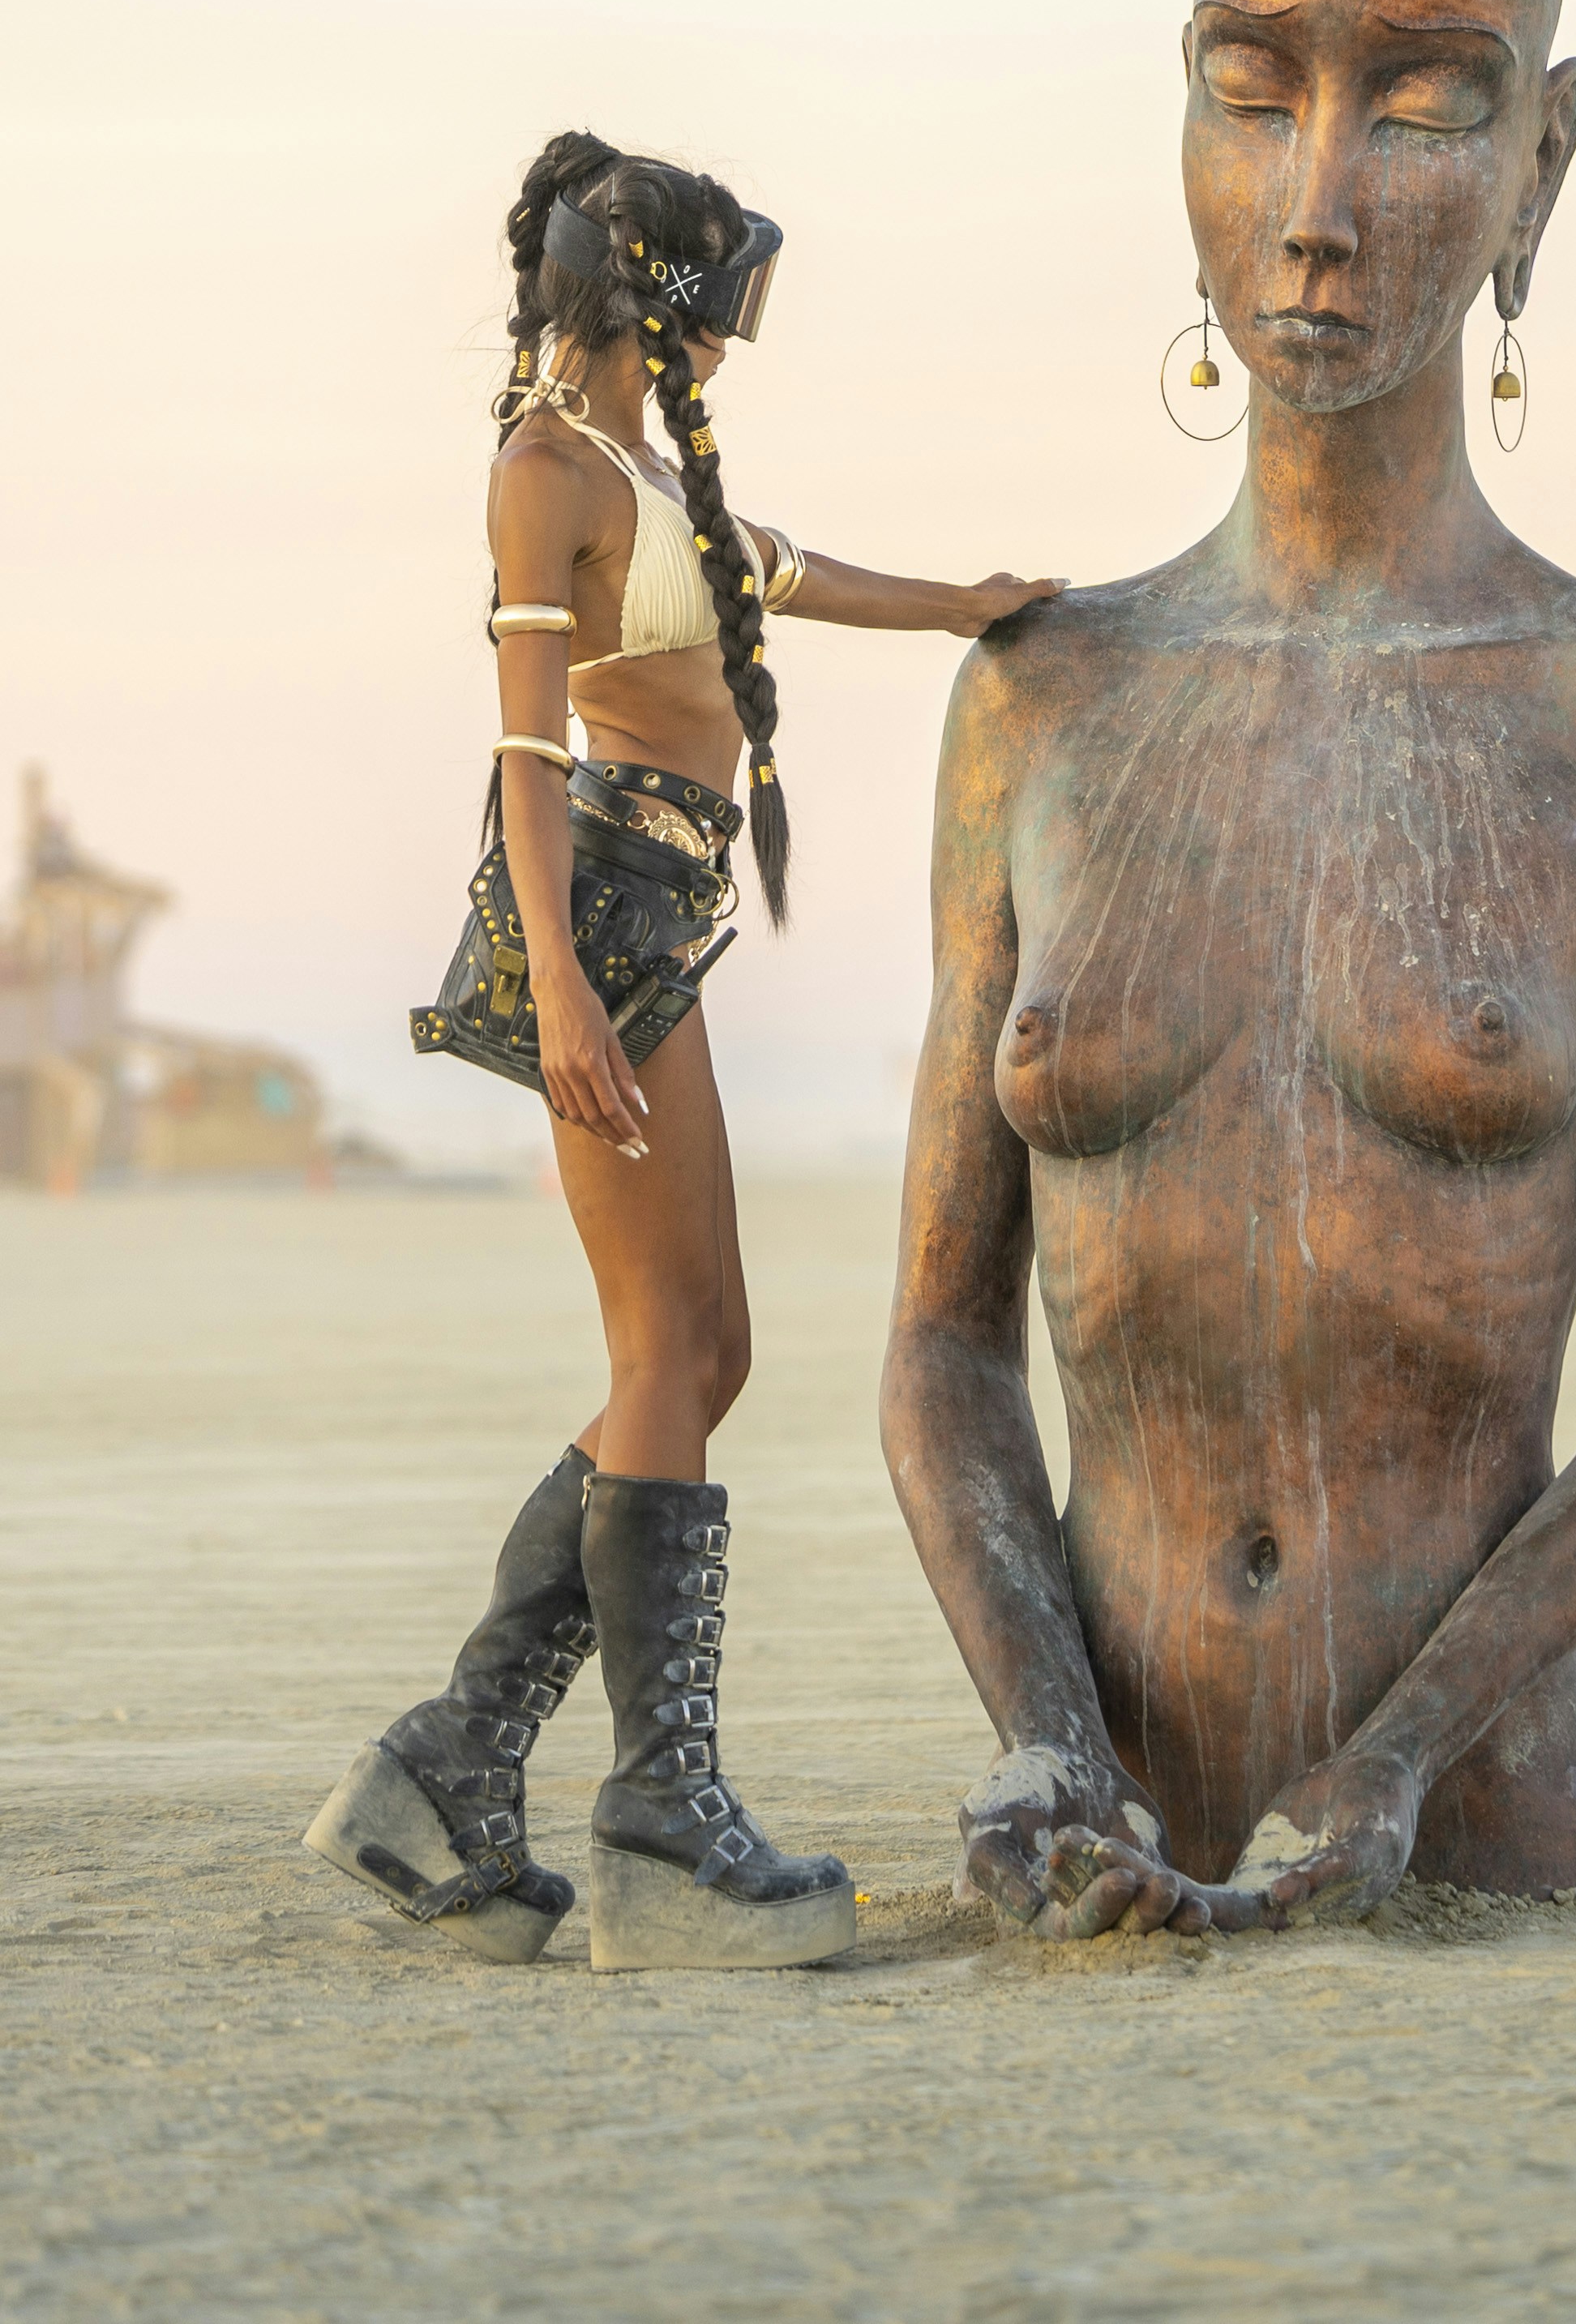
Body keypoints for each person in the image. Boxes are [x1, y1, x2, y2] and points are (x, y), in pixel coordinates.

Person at [880, 0, 1576, 1941]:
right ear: (1177, 105)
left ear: (1542, 159)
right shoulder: (1041, 702)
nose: (1315, 198)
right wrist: (1044, 1739)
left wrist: (1390, 1763)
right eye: (1250, 82)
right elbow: (938, 1349)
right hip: (1107, 1830)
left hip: (1501, 1846)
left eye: (1424, 100)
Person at [306, 130, 1061, 1970]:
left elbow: (787, 579)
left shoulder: (645, 468)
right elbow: (525, 754)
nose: (729, 343)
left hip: (657, 912)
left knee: (705, 1350)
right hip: (599, 921)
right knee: (668, 1349)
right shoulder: (542, 472)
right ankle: (656, 1820)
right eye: (715, 308)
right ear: (646, 299)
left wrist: (969, 605)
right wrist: (563, 987)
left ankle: (445, 1768)